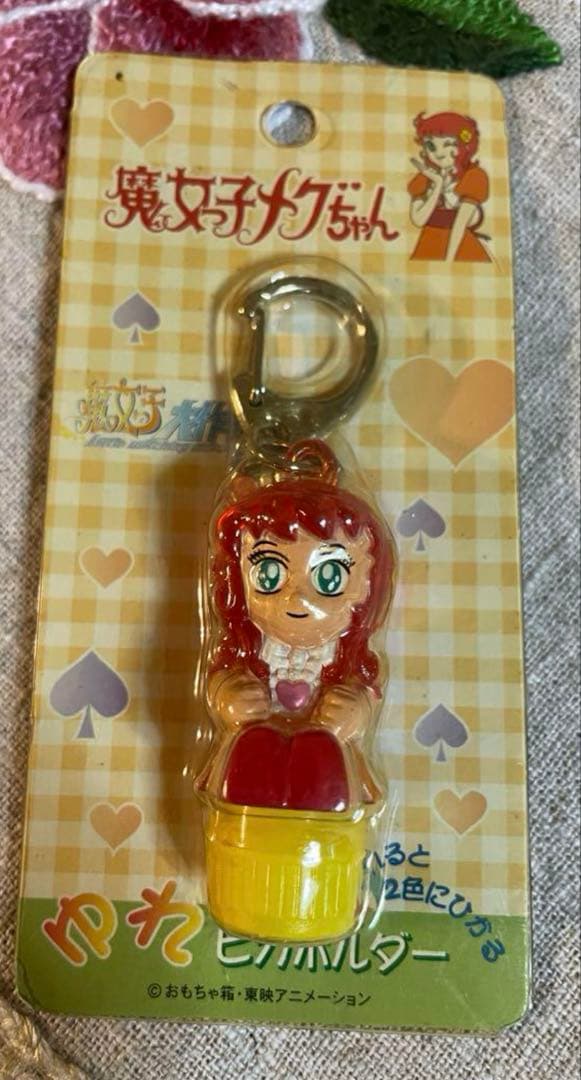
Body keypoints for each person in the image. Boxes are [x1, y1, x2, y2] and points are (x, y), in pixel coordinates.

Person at [201, 439, 397, 812]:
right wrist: (229, 697)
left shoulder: (347, 656)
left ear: (367, 585)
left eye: (329, 577)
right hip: (249, 773)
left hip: (327, 781)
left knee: (324, 761)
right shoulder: (246, 648)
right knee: (250, 753)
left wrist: (355, 712)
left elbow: (366, 689)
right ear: (237, 581)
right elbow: (220, 678)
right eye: (269, 574)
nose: (296, 599)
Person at [408, 111, 492, 262]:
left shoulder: (473, 176)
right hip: (428, 246)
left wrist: (449, 262)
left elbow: (460, 224)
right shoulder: (424, 179)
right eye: (431, 145)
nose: (439, 153)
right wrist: (438, 185)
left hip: (459, 248)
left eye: (447, 144)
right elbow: (418, 220)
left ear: (464, 146)